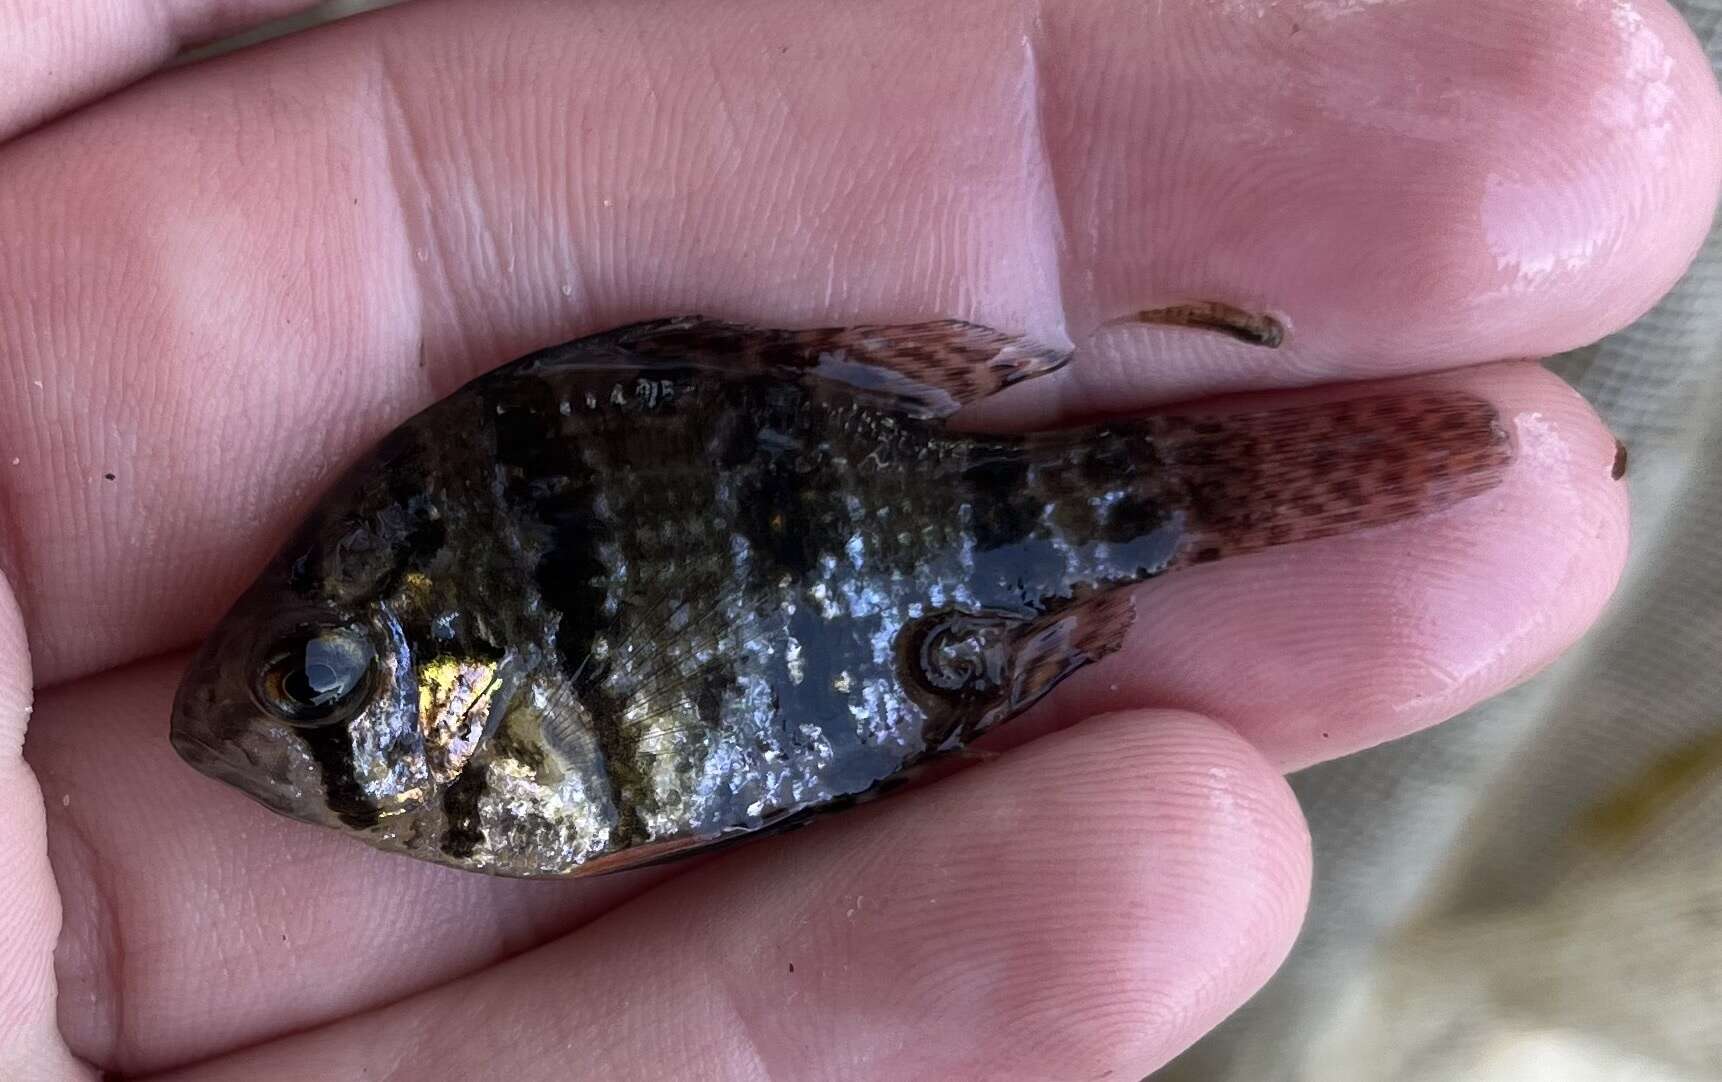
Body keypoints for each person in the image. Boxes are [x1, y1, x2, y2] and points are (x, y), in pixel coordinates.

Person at [1, 2, 1717, 1079]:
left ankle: (1280, 483)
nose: (255, 708)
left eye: (320, 671)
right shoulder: (421, 663)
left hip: (877, 512)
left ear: (424, 648)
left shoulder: (424, 622)